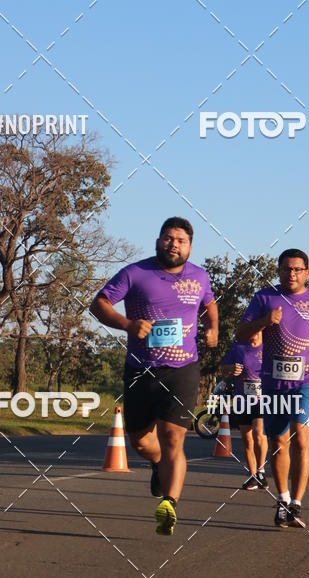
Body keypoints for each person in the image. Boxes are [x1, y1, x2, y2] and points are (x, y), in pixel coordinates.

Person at [89, 217, 218, 535]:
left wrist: (213, 326)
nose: (174, 244)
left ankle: (169, 504)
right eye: (168, 238)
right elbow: (99, 304)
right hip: (140, 370)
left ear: (190, 247)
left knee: (174, 437)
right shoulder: (135, 273)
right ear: (158, 240)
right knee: (140, 441)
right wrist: (128, 325)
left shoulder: (199, 277)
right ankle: (158, 464)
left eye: (181, 240)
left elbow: (209, 302)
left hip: (183, 369)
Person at [236, 248, 309, 529]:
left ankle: (297, 504)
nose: (291, 274)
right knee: (279, 442)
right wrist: (265, 321)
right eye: (286, 269)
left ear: (306, 272)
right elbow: (241, 333)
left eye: (297, 269)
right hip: (272, 383)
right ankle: (282, 501)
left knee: (301, 439)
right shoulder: (264, 297)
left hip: (307, 380)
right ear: (278, 271)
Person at [220, 332, 268, 491]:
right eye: (249, 329)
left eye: (255, 329)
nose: (252, 333)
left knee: (259, 432)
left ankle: (261, 471)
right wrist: (231, 369)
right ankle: (253, 476)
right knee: (247, 439)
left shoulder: (269, 347)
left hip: (263, 400)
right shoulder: (238, 347)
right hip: (243, 400)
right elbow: (223, 369)